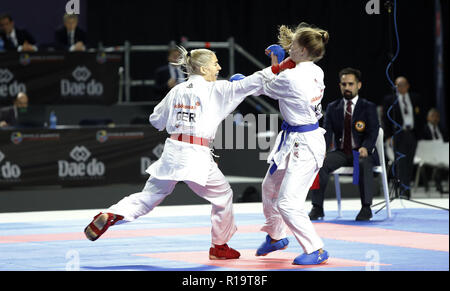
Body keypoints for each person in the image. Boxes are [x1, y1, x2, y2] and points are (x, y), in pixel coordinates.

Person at [84, 46, 270, 260]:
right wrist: (282, 65)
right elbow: (254, 81)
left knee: (149, 197)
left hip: (173, 151)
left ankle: (112, 214)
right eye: (215, 63)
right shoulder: (215, 89)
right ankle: (219, 247)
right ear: (202, 68)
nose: (219, 67)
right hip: (196, 153)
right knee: (223, 195)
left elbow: (156, 121)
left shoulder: (177, 90)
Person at [254, 22, 330, 265]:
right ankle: (276, 236)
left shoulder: (293, 76)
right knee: (269, 186)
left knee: (288, 202)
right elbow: (281, 76)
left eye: (293, 45)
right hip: (296, 138)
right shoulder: (315, 71)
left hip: (305, 145)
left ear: (304, 50)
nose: (289, 49)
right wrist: (279, 63)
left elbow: (264, 85)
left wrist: (239, 83)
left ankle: (316, 248)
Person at [308, 68, 380, 221]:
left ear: (358, 85)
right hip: (341, 152)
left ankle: (366, 208)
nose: (347, 87)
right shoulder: (333, 107)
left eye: (351, 84)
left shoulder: (368, 107)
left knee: (363, 161)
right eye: (344, 84)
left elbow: (373, 131)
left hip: (361, 151)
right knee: (319, 163)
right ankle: (317, 207)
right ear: (340, 85)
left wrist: (366, 147)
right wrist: (323, 150)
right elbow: (326, 132)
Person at [382, 76, 423, 199]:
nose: (401, 87)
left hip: (411, 134)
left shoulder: (415, 98)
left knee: (409, 162)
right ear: (395, 86)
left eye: (403, 84)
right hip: (397, 134)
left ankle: (407, 189)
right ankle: (402, 190)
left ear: (408, 85)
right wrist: (389, 136)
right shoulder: (390, 100)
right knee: (400, 162)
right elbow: (385, 119)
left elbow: (421, 116)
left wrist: (418, 133)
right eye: (398, 85)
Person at [420, 108, 448, 193]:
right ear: (428, 118)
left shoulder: (442, 130)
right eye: (433, 116)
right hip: (428, 154)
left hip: (443, 154)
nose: (435, 118)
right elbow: (422, 144)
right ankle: (437, 185)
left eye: (437, 116)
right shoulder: (423, 130)